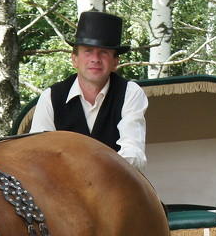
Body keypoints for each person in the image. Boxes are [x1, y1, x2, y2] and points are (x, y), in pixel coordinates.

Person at [28, 10, 148, 171]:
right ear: (75, 59)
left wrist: (97, 170)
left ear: (115, 62)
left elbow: (134, 153)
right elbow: (37, 154)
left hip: (115, 185)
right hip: (63, 189)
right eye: (88, 51)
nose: (95, 59)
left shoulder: (130, 93)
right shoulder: (51, 97)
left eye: (104, 52)